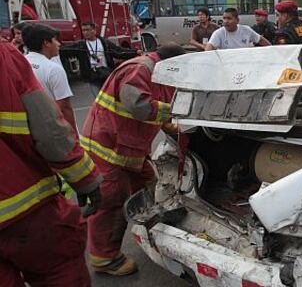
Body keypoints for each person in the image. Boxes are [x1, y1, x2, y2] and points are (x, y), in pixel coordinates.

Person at [0, 41, 102, 286]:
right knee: (59, 272)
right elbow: (50, 131)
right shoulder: (5, 56)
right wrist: (86, 180)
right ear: (46, 42)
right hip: (24, 211)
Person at [82, 43, 186, 276]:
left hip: (129, 150)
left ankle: (154, 229)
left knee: (151, 185)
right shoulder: (139, 69)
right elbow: (139, 106)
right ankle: (105, 259)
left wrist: (185, 136)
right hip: (106, 147)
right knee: (111, 201)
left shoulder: (160, 76)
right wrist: (178, 110)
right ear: (170, 63)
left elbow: (164, 118)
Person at [23, 24, 78, 132]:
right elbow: (64, 107)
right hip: (53, 129)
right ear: (46, 43)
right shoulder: (54, 69)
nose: (58, 44)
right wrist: (74, 133)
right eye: (55, 40)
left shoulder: (21, 62)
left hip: (29, 127)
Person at [73, 21, 140, 88]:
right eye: (83, 30)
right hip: (93, 77)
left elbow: (119, 51)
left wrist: (135, 52)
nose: (85, 32)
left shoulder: (104, 42)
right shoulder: (81, 45)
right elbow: (67, 50)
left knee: (110, 97)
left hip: (106, 74)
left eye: (87, 30)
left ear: (94, 30)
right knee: (99, 98)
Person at [206, 8, 270, 50]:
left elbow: (261, 40)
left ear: (237, 20)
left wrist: (272, 50)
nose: (225, 21)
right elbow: (209, 47)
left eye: (229, 18)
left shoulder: (246, 30)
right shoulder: (218, 33)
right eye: (224, 18)